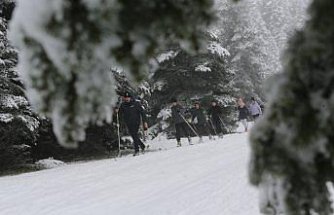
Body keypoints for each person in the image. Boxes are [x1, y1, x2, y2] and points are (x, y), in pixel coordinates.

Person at [117, 92, 148, 156]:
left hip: (136, 121)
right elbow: (119, 114)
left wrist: (144, 121)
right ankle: (142, 145)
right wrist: (118, 118)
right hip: (128, 122)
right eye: (126, 98)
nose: (127, 99)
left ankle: (137, 150)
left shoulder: (136, 103)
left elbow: (142, 112)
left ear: (131, 98)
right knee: (134, 135)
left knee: (134, 134)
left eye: (128, 98)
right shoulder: (123, 105)